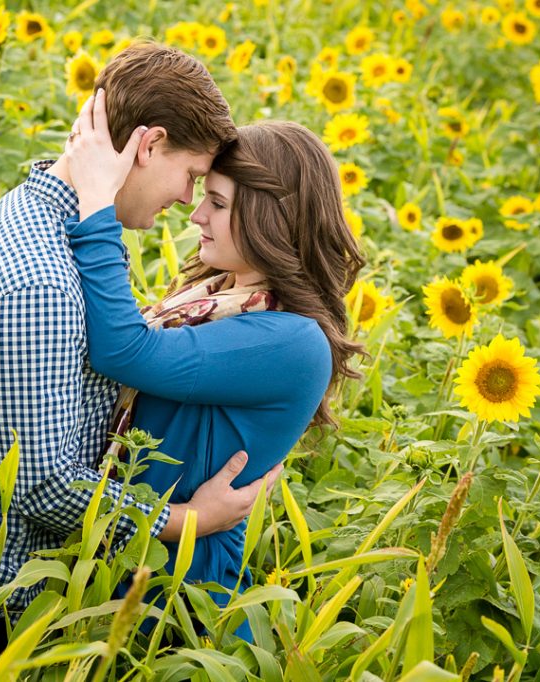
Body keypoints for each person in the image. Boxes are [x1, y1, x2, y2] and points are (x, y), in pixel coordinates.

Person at [0, 43, 279, 651]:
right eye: (190, 176)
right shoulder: (41, 283)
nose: (188, 201)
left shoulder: (39, 215)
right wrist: (190, 522)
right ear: (148, 144)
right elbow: (42, 481)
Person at [61, 91, 364, 640]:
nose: (196, 214)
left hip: (182, 608)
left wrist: (97, 204)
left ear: (274, 218)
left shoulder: (291, 342)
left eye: (218, 204)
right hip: (129, 569)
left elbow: (124, 351)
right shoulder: (216, 295)